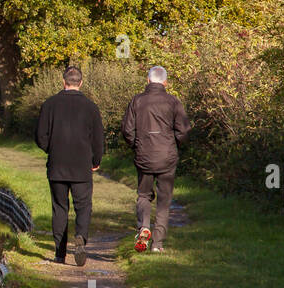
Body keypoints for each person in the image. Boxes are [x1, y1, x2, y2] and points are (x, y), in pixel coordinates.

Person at [34, 65, 104, 266]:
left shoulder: (49, 104)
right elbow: (98, 139)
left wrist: (52, 149)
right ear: (80, 83)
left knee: (59, 208)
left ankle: (59, 252)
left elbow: (40, 136)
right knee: (83, 206)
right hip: (82, 165)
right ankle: (80, 237)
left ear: (63, 82)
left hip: (57, 164)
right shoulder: (91, 107)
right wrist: (95, 160)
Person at [121, 66, 191, 253]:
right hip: (167, 156)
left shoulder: (137, 101)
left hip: (144, 155)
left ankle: (143, 227)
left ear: (148, 80)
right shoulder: (173, 102)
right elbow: (183, 130)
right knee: (164, 199)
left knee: (144, 195)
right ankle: (157, 244)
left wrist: (136, 145)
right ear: (165, 82)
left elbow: (127, 130)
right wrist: (175, 144)